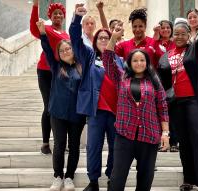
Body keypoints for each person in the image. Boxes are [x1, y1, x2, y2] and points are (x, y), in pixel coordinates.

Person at [157, 0, 198, 190]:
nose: (179, 36)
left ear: (188, 36)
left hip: (193, 101)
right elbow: (161, 80)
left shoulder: (194, 49)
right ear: (171, 35)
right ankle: (189, 179)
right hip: (176, 103)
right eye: (176, 34)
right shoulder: (165, 55)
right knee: (184, 142)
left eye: (183, 34)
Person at [102, 22, 170, 191]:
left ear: (147, 63)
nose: (139, 63)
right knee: (117, 180)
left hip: (149, 136)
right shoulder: (121, 78)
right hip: (125, 135)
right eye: (135, 60)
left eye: (142, 60)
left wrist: (166, 133)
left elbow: (162, 107)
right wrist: (113, 38)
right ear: (129, 63)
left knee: (145, 180)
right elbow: (108, 60)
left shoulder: (154, 82)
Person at [68, 4, 124, 191]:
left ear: (113, 40)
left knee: (115, 148)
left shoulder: (120, 60)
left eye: (107, 38)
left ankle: (111, 178)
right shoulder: (89, 56)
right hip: (96, 110)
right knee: (93, 147)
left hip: (116, 112)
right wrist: (76, 18)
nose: (103, 40)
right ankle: (93, 181)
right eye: (100, 38)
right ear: (95, 41)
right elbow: (74, 39)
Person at [36, 20, 85, 191]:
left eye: (68, 49)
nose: (65, 51)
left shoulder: (81, 67)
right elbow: (47, 49)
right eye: (62, 50)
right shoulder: (56, 66)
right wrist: (43, 32)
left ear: (73, 50)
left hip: (77, 115)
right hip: (57, 113)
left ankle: (70, 176)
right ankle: (58, 176)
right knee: (59, 144)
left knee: (74, 146)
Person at [29, 0, 69, 155]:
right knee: (49, 106)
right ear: (51, 17)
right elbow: (33, 28)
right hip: (45, 72)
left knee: (61, 107)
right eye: (55, 14)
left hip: (61, 73)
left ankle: (60, 142)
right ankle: (46, 143)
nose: (58, 15)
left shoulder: (66, 35)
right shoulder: (45, 28)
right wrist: (35, 5)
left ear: (63, 17)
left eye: (60, 13)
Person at [153, 20, 179, 152]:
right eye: (162, 28)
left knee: (173, 114)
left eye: (168, 28)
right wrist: (154, 35)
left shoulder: (175, 43)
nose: (165, 30)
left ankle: (174, 142)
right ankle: (160, 142)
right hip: (158, 82)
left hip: (173, 82)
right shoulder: (155, 43)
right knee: (159, 114)